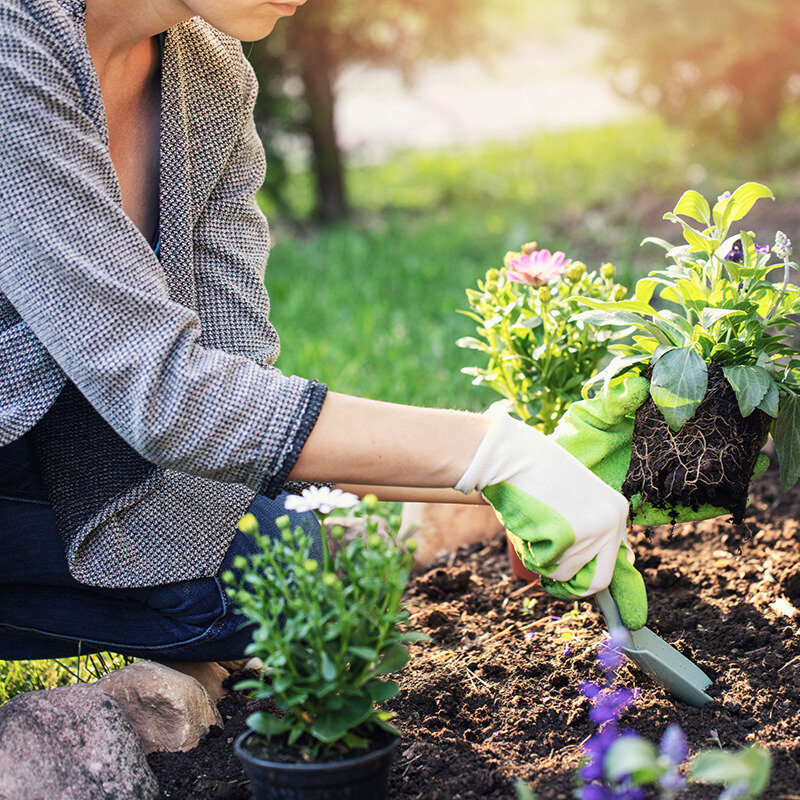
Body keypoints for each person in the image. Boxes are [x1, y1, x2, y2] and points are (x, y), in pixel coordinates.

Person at [0, 0, 648, 666]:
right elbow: (166, 394)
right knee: (246, 590)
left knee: (293, 570)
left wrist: (518, 474)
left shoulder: (209, 72)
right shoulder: (14, 44)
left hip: (67, 442)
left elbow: (233, 377)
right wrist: (489, 452)